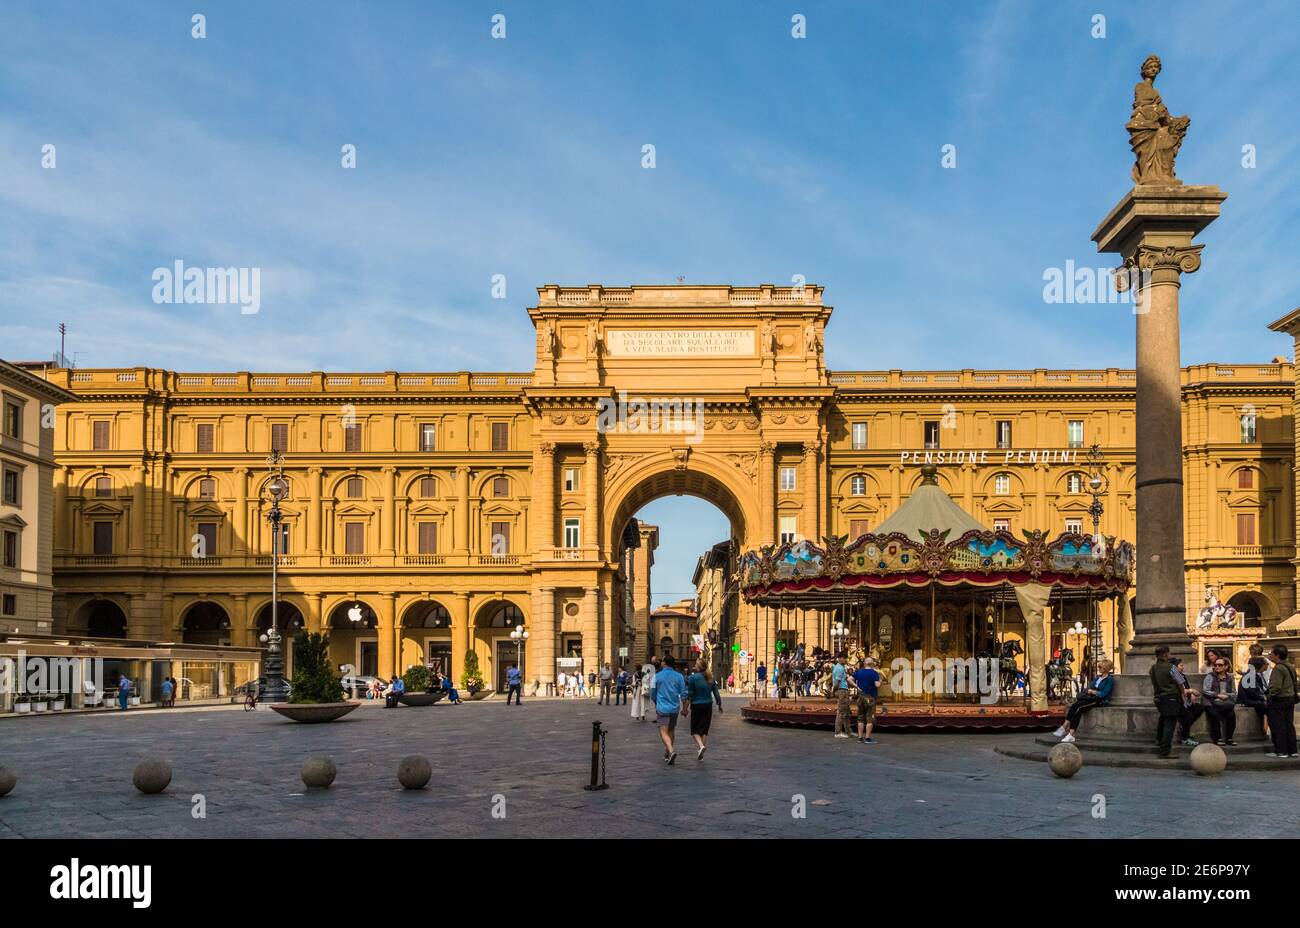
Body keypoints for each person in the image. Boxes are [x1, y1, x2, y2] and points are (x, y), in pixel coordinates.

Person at [1055, 659, 1114, 743]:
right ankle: (1065, 728)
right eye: (1098, 666)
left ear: (1106, 668)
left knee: (1079, 708)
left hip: (1099, 700)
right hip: (1089, 697)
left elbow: (1104, 693)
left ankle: (1070, 734)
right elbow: (1088, 687)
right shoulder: (1098, 677)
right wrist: (1088, 691)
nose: (1098, 668)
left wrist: (1094, 692)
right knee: (1075, 705)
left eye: (1100, 667)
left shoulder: (1109, 680)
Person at [649, 655, 689, 765]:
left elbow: (652, 694)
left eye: (662, 661)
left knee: (663, 733)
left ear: (664, 663)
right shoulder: (679, 676)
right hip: (674, 708)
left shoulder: (656, 676)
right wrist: (685, 708)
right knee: (671, 731)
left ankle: (671, 751)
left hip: (662, 708)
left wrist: (657, 704)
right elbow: (684, 694)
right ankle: (667, 754)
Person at [686, 659, 724, 760]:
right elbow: (716, 693)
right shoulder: (711, 678)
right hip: (708, 706)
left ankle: (701, 746)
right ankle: (701, 753)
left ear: (698, 667)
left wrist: (685, 708)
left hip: (697, 705)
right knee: (704, 730)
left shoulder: (692, 678)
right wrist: (719, 704)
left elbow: (690, 695)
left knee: (694, 730)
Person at [1265, 644, 1297, 758]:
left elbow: (1276, 687)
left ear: (1277, 655)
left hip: (1279, 699)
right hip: (1290, 698)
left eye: (1271, 653)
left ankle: (1281, 750)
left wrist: (1269, 696)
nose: (1269, 655)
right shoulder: (1290, 666)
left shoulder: (1278, 668)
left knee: (1278, 725)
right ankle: (1292, 750)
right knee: (1289, 724)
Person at [1149, 646, 1181, 758]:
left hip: (1159, 698)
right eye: (1169, 654)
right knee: (1169, 724)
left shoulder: (1153, 668)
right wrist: (1183, 692)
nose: (1170, 656)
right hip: (1171, 698)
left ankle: (1159, 740)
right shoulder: (1172, 667)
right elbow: (1180, 682)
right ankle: (1165, 750)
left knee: (1163, 719)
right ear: (1165, 655)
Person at [1201, 656, 1236, 745]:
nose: (1217, 667)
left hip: (1224, 702)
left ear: (1226, 666)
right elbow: (1205, 690)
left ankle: (1229, 738)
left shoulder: (1230, 678)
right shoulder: (1210, 676)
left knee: (1231, 715)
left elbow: (1233, 692)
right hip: (1210, 702)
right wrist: (1217, 695)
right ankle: (1217, 738)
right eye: (1215, 665)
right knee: (1214, 715)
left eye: (1220, 665)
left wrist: (1226, 696)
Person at [1170, 656, 1203, 746]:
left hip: (1186, 701)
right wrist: (1191, 691)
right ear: (1175, 667)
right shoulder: (1173, 676)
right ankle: (1185, 737)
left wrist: (1191, 694)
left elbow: (1186, 687)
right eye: (1181, 665)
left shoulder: (1183, 676)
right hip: (1178, 702)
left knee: (1199, 707)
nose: (1183, 667)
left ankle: (1184, 727)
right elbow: (1180, 690)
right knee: (1188, 716)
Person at [852, 657, 882, 744]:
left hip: (860, 697)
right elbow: (877, 685)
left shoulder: (859, 672)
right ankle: (868, 738)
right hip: (870, 698)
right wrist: (880, 681)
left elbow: (849, 679)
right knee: (870, 719)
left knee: (860, 718)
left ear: (864, 663)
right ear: (872, 663)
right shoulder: (874, 673)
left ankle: (860, 738)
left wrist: (857, 687)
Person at [1237, 656, 1269, 737]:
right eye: (1266, 663)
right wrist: (1264, 698)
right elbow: (1252, 693)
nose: (1267, 665)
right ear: (1259, 665)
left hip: (1251, 699)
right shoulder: (1250, 676)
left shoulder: (1254, 675)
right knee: (1271, 709)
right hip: (1247, 701)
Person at [830, 652, 852, 739]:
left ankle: (848, 731)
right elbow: (836, 683)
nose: (845, 659)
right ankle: (838, 732)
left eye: (846, 658)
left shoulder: (841, 667)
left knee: (846, 711)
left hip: (843, 690)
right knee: (841, 711)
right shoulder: (839, 668)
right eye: (844, 658)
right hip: (841, 690)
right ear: (839, 658)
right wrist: (834, 691)